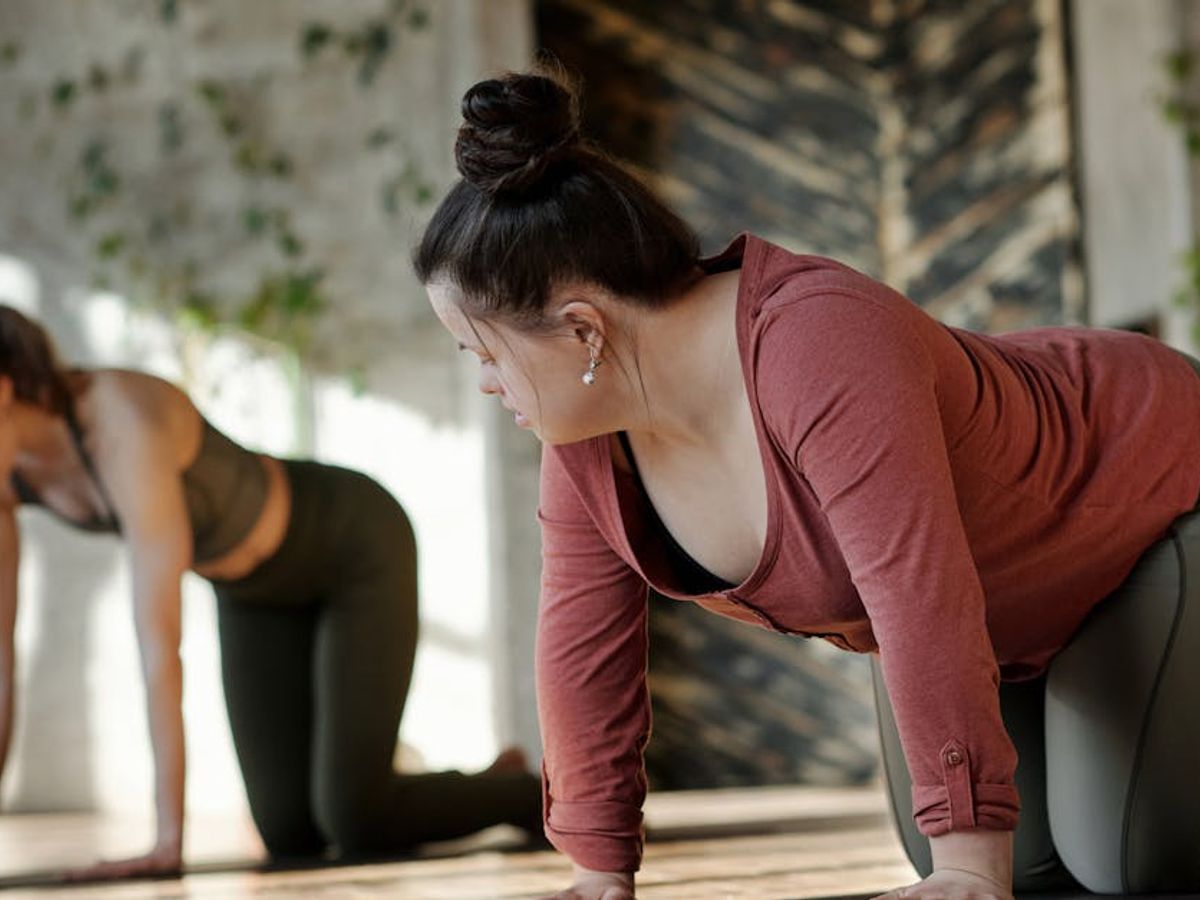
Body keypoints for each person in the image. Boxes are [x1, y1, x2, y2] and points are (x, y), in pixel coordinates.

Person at [413, 69, 1200, 899]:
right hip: (996, 615)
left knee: (1114, 866)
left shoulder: (818, 341)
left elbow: (914, 590)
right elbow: (580, 642)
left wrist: (968, 859)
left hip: (1142, 496)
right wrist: (597, 872)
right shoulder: (588, 431)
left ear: (582, 329)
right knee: (1026, 869)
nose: (486, 383)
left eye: (485, 350)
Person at [0, 306, 542, 880]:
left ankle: (526, 793)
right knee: (290, 833)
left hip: (351, 543)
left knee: (355, 819)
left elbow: (159, 647)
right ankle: (487, 782)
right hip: (252, 596)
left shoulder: (120, 420)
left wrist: (166, 841)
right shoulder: (11, 476)